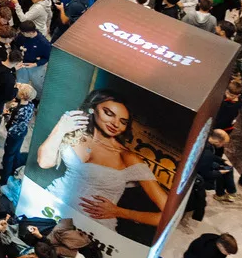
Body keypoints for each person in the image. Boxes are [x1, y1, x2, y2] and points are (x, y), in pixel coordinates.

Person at [33, 89, 167, 232]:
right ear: (92, 108)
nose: (116, 124)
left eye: (123, 122)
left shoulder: (127, 157)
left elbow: (167, 215)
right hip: (51, 205)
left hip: (90, 228)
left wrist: (119, 212)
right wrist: (60, 128)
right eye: (109, 113)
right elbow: (44, 162)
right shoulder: (76, 133)